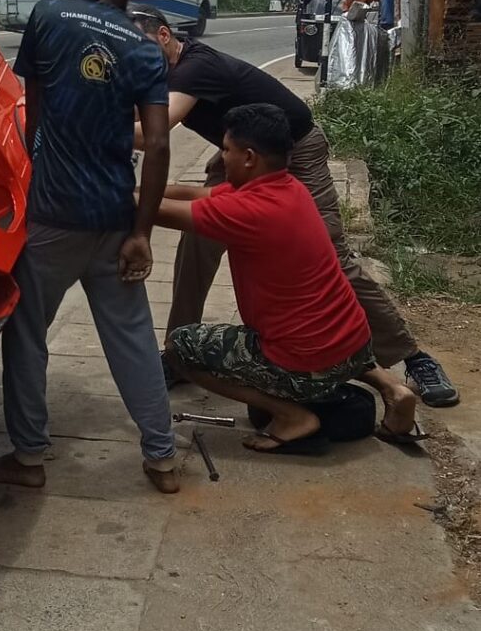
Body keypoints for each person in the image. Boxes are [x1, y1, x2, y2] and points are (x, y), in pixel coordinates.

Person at [128, 4, 459, 407]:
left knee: (333, 255)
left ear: (165, 35)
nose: (137, 58)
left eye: (141, 46)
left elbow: (156, 131)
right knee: (197, 242)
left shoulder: (195, 67)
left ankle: (412, 356)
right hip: (237, 156)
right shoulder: (156, 74)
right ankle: (178, 356)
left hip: (294, 150)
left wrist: (86, 132)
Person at [0, 0, 180, 495]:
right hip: (115, 216)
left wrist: (39, 170)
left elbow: (31, 113)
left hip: (53, 218)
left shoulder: (47, 18)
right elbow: (160, 143)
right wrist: (141, 232)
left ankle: (30, 455)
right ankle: (162, 458)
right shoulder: (144, 51)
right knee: (132, 335)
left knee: (25, 330)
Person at [156, 103, 423, 454]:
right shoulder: (289, 188)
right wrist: (146, 187)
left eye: (226, 150)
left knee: (181, 347)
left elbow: (155, 212)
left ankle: (291, 416)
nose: (222, 157)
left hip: (305, 359)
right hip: (354, 342)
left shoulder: (248, 211)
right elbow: (197, 194)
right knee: (319, 329)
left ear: (249, 157)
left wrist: (110, 194)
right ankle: (390, 385)